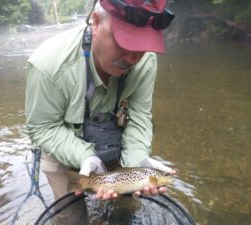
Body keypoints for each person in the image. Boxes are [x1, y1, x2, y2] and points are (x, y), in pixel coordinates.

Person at [25, 0, 176, 224]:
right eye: (123, 42)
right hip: (59, 140)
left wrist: (137, 160)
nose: (132, 59)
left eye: (141, 46)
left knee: (123, 202)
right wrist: (85, 157)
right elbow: (42, 127)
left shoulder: (146, 63)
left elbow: (140, 116)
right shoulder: (48, 65)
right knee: (71, 216)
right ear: (95, 23)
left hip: (111, 136)